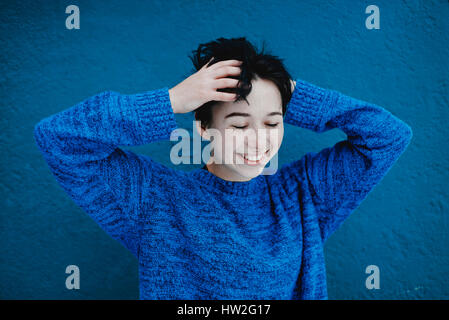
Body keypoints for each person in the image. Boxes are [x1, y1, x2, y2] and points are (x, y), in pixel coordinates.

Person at [33, 37, 412, 299]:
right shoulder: (155, 199)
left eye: (272, 122)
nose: (259, 140)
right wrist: (171, 101)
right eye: (239, 124)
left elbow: (389, 136)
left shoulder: (304, 194)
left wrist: (293, 93)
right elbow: (58, 139)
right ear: (204, 129)